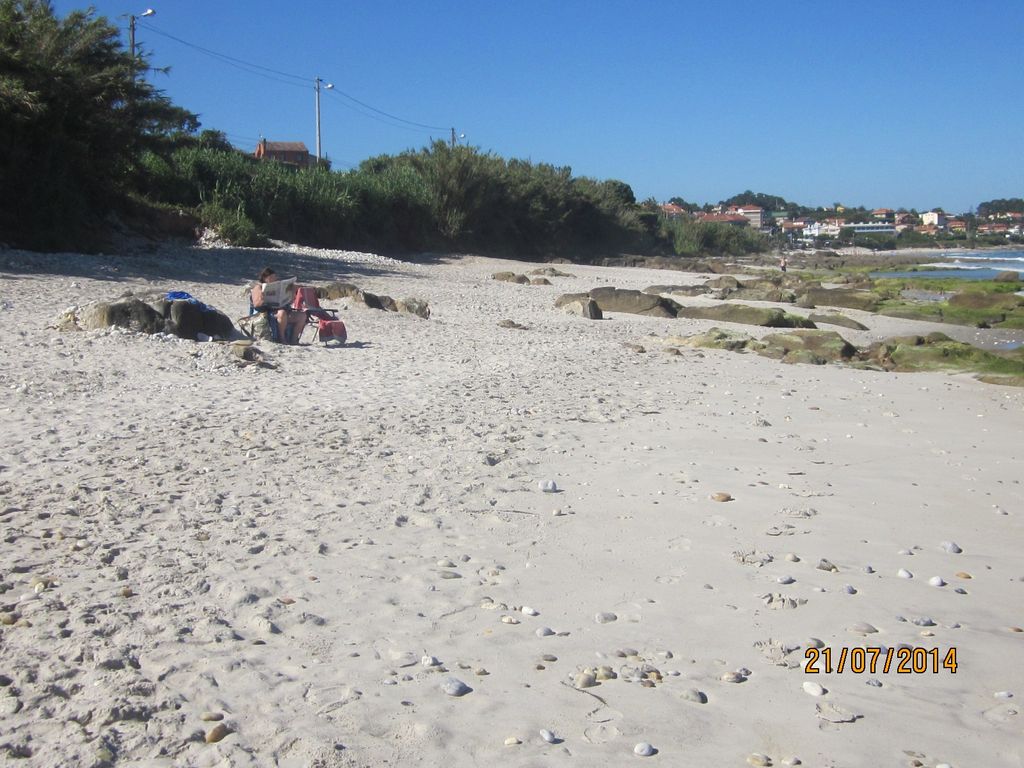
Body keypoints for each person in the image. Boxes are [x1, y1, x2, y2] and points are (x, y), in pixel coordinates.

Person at [251, 267, 306, 344]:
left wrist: (293, 290)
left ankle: (294, 339)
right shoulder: (258, 287)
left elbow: (289, 301)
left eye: (275, 277)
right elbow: (256, 304)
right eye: (271, 277)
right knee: (282, 313)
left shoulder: (278, 286)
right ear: (264, 278)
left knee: (302, 316)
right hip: (267, 312)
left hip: (281, 310)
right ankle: (282, 338)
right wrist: (262, 297)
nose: (274, 279)